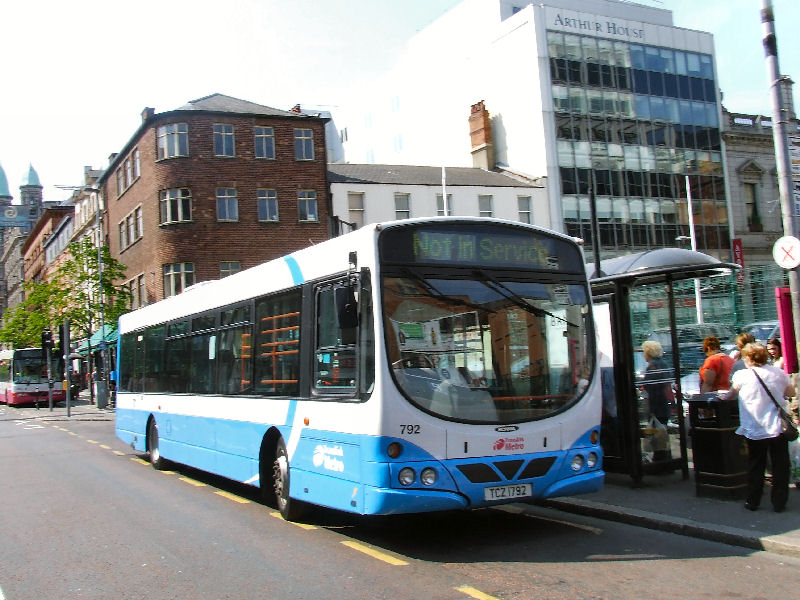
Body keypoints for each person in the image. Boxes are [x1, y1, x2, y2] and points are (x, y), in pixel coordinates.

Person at [721, 343, 794, 512]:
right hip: (777, 426)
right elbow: (791, 393)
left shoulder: (742, 376)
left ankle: (753, 501)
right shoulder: (779, 373)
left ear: (747, 358)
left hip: (755, 426)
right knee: (780, 465)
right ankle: (779, 502)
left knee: (756, 464)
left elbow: (730, 395)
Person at [641, 340, 672, 425]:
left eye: (644, 352)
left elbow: (653, 390)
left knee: (655, 433)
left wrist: (652, 410)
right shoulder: (663, 364)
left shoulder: (653, 367)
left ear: (648, 353)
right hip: (664, 405)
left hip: (656, 407)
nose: (644, 355)